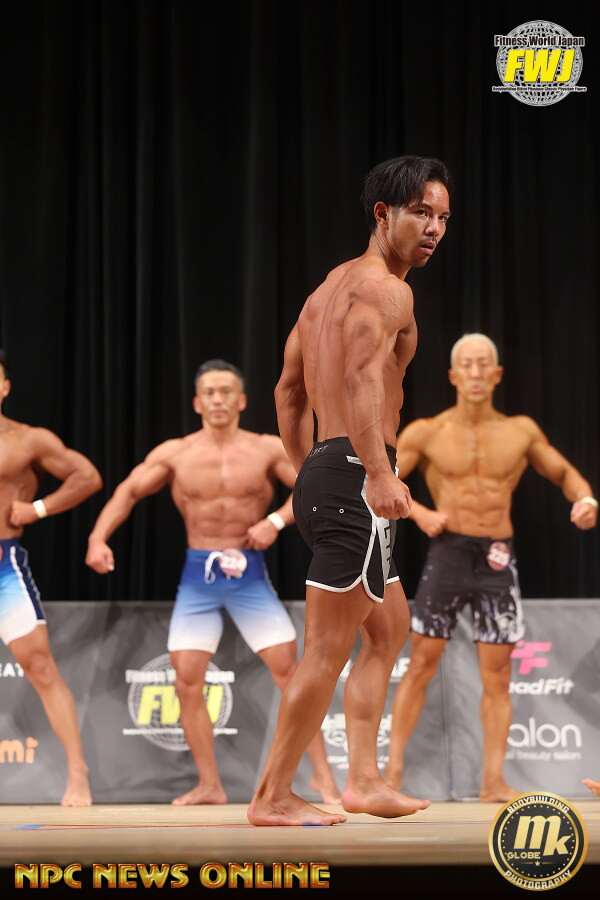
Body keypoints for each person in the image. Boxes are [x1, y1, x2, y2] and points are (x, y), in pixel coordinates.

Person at [247, 155, 452, 826]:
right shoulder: (387, 291)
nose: (434, 228)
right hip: (359, 477)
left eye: (443, 217)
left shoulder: (322, 294)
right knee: (328, 647)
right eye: (421, 213)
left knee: (387, 629)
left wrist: (310, 468)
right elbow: (363, 378)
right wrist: (376, 472)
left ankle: (363, 781)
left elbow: (287, 391)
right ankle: (272, 796)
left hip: (332, 471)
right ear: (382, 214)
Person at [85, 359, 340, 806]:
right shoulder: (175, 453)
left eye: (225, 392)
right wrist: (97, 537)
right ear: (197, 402)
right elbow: (128, 491)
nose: (217, 399)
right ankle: (209, 785)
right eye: (209, 393)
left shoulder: (265, 449)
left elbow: (312, 487)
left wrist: (275, 521)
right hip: (198, 577)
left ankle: (322, 777)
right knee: (186, 679)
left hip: (250, 575)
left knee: (290, 671)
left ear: (241, 401)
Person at [384, 333, 598, 802]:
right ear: (453, 375)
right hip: (447, 553)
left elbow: (564, 473)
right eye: (467, 364)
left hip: (498, 558)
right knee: (420, 664)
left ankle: (493, 782)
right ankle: (391, 777)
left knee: (498, 676)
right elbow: (382, 484)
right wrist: (420, 513)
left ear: (498, 374)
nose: (476, 372)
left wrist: (586, 499)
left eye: (484, 364)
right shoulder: (427, 432)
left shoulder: (520, 431)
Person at [0, 349, 102, 806]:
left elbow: (87, 476)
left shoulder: (27, 440)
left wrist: (37, 508)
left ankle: (78, 773)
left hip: (3, 564)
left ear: (5, 387)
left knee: (40, 666)